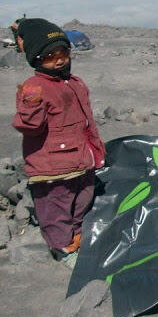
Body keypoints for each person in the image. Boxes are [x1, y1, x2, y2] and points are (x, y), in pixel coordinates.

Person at [12, 18, 105, 265]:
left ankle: (76, 236)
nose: (59, 59)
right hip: (53, 166)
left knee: (83, 198)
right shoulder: (35, 87)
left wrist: (96, 151)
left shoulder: (75, 83)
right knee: (56, 207)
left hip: (81, 160)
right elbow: (29, 127)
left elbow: (87, 122)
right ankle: (62, 248)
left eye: (63, 52)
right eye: (50, 56)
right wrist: (30, 105)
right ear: (36, 59)